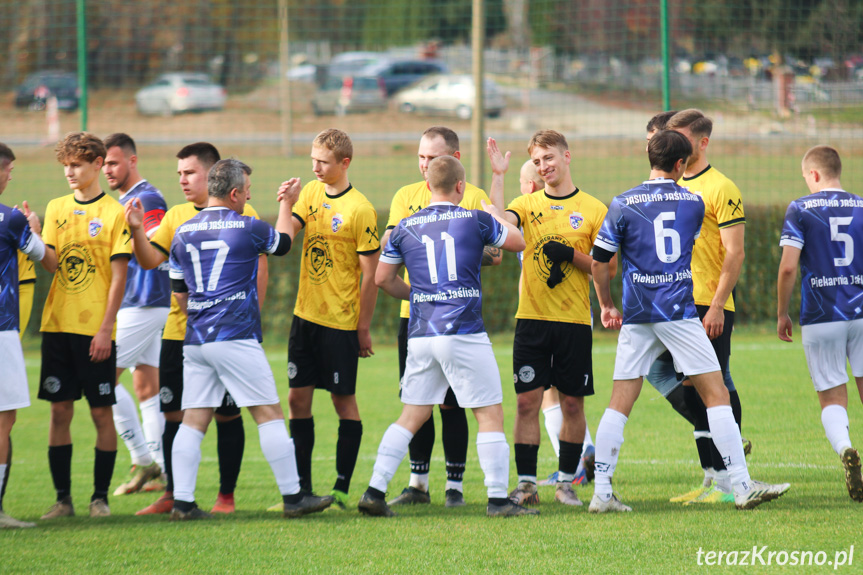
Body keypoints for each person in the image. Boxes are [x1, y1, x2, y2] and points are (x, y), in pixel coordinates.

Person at [588, 129, 790, 513]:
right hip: (679, 312)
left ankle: (601, 493)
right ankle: (742, 485)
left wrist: (607, 304)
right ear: (681, 164)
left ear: (648, 157)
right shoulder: (693, 203)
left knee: (619, 402)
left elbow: (600, 262)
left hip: (637, 314)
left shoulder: (622, 203)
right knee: (717, 395)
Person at [358, 155, 533, 517]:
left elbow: (381, 279)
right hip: (464, 330)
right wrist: (493, 211)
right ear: (460, 187)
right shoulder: (474, 217)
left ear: (426, 186)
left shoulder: (404, 227)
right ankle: (499, 500)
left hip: (422, 332)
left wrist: (420, 298)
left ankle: (375, 491)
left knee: (411, 414)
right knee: (489, 414)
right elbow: (517, 242)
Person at [165, 159, 333, 519]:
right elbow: (285, 244)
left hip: (196, 338)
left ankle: (182, 502)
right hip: (235, 335)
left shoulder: (181, 231)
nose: (248, 198)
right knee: (269, 414)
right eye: (248, 192)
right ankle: (293, 498)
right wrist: (287, 203)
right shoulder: (246, 227)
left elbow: (178, 292)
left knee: (194, 419)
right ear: (235, 193)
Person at [127, 142, 261, 515]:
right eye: (179, 175)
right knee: (174, 414)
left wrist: (252, 319)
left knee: (227, 414)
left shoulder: (242, 212)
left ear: (212, 173)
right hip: (180, 333)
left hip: (230, 333)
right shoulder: (175, 216)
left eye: (189, 173)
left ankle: (226, 498)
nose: (183, 181)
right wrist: (138, 230)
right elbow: (149, 258)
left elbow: (260, 271)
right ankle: (173, 495)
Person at [488, 131, 610, 508]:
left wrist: (571, 256)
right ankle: (526, 484)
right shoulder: (526, 204)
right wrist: (498, 176)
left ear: (567, 156)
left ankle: (566, 483)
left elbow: (607, 268)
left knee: (573, 405)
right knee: (527, 402)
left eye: (549, 158)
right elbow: (499, 224)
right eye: (538, 161)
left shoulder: (593, 208)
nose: (544, 166)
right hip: (532, 320)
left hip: (574, 322)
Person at [383, 127, 500, 508]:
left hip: (452, 316)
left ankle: (455, 485)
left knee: (454, 406)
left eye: (432, 158)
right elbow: (389, 244)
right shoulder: (405, 196)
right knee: (417, 404)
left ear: (455, 159)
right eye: (420, 156)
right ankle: (417, 484)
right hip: (415, 318)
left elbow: (495, 255)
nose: (424, 164)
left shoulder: (475, 196)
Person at [284, 129, 380, 510]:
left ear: (345, 163)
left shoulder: (361, 209)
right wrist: (285, 205)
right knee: (296, 399)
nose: (315, 168)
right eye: (312, 160)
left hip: (340, 323)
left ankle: (341, 487)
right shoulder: (309, 192)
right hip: (304, 316)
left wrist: (363, 326)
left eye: (322, 162)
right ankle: (302, 490)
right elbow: (286, 237)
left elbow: (370, 275)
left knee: (344, 403)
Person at [658, 109, 749, 505]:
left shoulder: (721, 187)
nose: (674, 143)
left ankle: (729, 480)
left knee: (715, 384)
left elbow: (735, 253)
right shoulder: (671, 186)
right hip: (672, 304)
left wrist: (716, 305)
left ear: (703, 142)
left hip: (707, 304)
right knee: (675, 378)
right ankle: (713, 474)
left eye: (680, 136)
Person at [38, 132, 131, 519]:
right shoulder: (56, 207)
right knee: (60, 412)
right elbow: (52, 265)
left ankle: (100, 498)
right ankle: (63, 500)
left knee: (100, 412)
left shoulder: (114, 212)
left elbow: (120, 276)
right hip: (57, 325)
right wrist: (32, 237)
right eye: (66, 166)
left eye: (77, 165)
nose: (70, 173)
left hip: (95, 329)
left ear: (96, 165)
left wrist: (106, 329)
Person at [777, 145, 863, 502]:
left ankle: (845, 447)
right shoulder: (861, 205)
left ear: (813, 174)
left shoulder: (800, 209)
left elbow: (787, 267)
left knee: (831, 396)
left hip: (821, 315)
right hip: (862, 313)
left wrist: (782, 312)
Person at [514, 157, 596, 487]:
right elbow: (499, 220)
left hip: (568, 318)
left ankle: (572, 469)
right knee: (548, 397)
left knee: (559, 398)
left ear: (531, 184)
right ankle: (582, 453)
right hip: (541, 317)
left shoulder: (579, 211)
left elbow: (605, 266)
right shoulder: (524, 211)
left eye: (521, 181)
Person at [102, 133, 168, 495]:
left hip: (143, 303)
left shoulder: (147, 197)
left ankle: (143, 460)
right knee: (146, 387)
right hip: (140, 304)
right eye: (105, 164)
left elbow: (157, 244)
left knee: (99, 379)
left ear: (132, 160)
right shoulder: (125, 200)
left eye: (114, 162)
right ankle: (161, 473)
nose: (108, 170)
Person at [0, 143, 45, 528]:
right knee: (2, 418)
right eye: (9, 170)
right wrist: (34, 229)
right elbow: (45, 257)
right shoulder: (9, 220)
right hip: (1, 331)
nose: (11, 176)